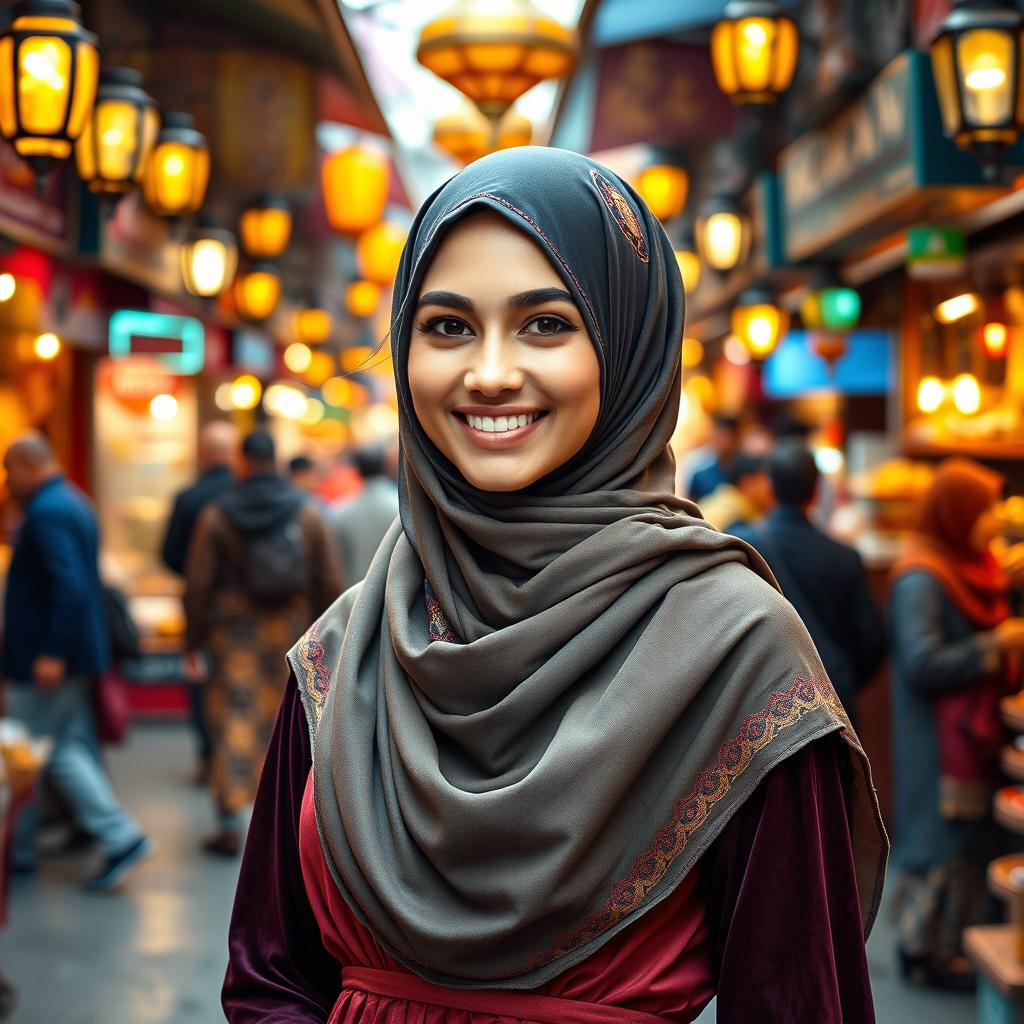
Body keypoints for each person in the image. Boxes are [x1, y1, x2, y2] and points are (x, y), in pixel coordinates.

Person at [222, 148, 886, 1022]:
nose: (490, 372)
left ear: (629, 348)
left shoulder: (735, 649)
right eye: (448, 326)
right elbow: (268, 979)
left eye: (546, 324)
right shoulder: (349, 648)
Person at [889, 459, 1024, 990]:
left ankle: (943, 949)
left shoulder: (968, 563)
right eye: (984, 512)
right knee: (942, 849)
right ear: (956, 512)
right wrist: (999, 644)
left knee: (962, 847)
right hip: (937, 744)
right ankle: (923, 950)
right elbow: (923, 663)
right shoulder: (921, 577)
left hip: (966, 733)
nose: (991, 523)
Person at [1, 434, 151, 890]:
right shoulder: (72, 502)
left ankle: (113, 835)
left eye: (10, 472)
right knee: (66, 745)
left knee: (31, 750)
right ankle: (30, 849)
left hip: (49, 659)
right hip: (75, 653)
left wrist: (50, 650)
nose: (8, 484)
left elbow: (66, 584)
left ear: (29, 465)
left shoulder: (47, 512)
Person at [183, 430, 341, 857]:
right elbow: (329, 578)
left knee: (233, 718)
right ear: (275, 460)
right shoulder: (305, 512)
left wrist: (192, 642)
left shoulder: (219, 515)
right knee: (290, 720)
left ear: (242, 461)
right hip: (292, 629)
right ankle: (291, 822)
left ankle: (232, 823)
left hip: (235, 634)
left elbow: (198, 584)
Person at [735, 439, 886, 721]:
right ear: (816, 493)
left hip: (770, 701)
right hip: (834, 699)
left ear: (770, 488)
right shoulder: (844, 557)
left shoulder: (746, 547)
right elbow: (872, 641)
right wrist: (846, 680)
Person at [161, 420, 238, 783]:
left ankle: (208, 754)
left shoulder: (188, 498)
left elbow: (168, 554)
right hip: (244, 611)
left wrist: (194, 573)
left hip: (199, 608)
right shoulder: (244, 494)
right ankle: (238, 756)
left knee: (200, 677)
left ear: (204, 454)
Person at [327, 444, 399, 583]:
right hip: (393, 591)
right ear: (385, 466)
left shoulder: (339, 510)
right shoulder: (401, 507)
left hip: (352, 594)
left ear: (357, 469)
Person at [698, 451, 773, 533]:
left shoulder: (728, 500)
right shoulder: (732, 515)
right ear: (747, 483)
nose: (769, 486)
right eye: (764, 479)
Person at [686, 414, 740, 503]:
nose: (718, 441)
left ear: (735, 438)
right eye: (716, 436)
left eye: (723, 436)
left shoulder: (743, 477)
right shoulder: (700, 477)